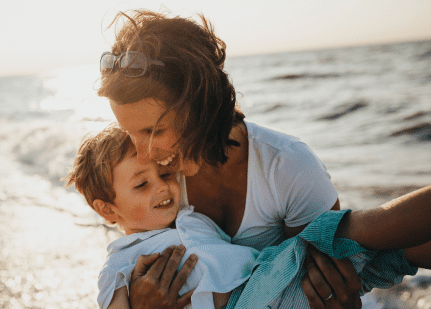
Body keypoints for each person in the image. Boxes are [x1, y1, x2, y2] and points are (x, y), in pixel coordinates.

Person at [96, 9, 372, 309]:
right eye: (130, 133)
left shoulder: (288, 168)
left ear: (201, 106)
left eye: (154, 131)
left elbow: (330, 288)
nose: (144, 154)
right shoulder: (157, 180)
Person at [62, 124, 431, 309]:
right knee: (347, 233)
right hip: (253, 299)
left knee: (390, 255)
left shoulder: (192, 217)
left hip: (270, 278)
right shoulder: (120, 264)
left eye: (164, 175)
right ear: (107, 209)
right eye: (142, 186)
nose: (163, 188)